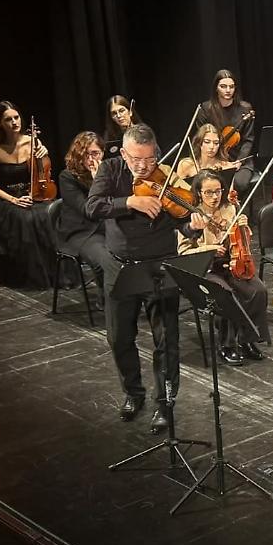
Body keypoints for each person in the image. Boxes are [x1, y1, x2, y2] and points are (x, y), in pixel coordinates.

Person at [85, 124, 207, 431]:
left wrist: (194, 226)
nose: (144, 166)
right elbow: (92, 207)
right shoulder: (111, 171)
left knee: (167, 340)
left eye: (150, 159)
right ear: (124, 153)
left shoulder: (166, 177)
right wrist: (129, 201)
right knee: (118, 337)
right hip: (120, 265)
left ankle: (164, 404)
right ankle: (133, 393)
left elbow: (182, 224)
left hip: (160, 264)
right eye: (137, 159)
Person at [177, 170, 268, 366]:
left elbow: (240, 241)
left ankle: (247, 339)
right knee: (225, 293)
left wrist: (243, 228)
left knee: (258, 290)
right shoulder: (190, 215)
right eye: (208, 192)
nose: (215, 197)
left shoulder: (229, 209)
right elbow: (183, 251)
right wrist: (209, 248)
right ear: (199, 193)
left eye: (218, 191)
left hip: (231, 262)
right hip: (205, 267)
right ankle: (227, 345)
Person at [0, 100, 56, 288]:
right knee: (24, 220)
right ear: (0, 123)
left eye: (16, 117)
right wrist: (14, 200)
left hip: (30, 193)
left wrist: (44, 154)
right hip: (5, 199)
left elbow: (43, 172)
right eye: (8, 119)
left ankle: (52, 271)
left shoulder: (32, 141)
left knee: (46, 214)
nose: (15, 122)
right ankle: (30, 275)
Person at [55, 130, 113, 298]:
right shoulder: (67, 177)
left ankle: (131, 295)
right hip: (80, 231)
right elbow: (88, 209)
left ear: (102, 153)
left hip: (105, 227)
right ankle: (108, 300)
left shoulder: (110, 171)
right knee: (105, 259)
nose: (90, 159)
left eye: (95, 153)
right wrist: (98, 182)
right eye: (85, 155)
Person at [196, 69, 256, 195]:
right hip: (214, 158)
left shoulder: (245, 108)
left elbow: (248, 139)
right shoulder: (206, 109)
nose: (228, 90)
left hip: (239, 159)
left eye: (231, 87)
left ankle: (237, 211)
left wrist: (239, 161)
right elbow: (201, 139)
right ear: (216, 88)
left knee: (239, 183)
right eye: (223, 86)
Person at [175, 123, 244, 185]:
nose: (212, 147)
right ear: (199, 143)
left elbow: (228, 194)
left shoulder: (227, 167)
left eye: (216, 143)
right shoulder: (185, 164)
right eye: (207, 142)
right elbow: (177, 191)